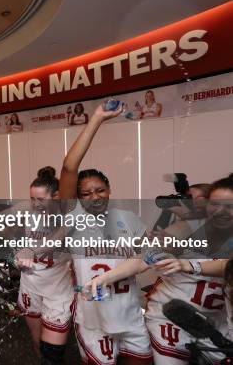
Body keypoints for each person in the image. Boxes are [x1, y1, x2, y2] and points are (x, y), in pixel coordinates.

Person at [90, 173, 233, 364]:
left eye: (229, 206)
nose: (220, 211)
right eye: (215, 204)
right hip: (170, 315)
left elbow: (227, 265)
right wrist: (104, 278)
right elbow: (143, 259)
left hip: (216, 322)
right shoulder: (187, 229)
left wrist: (190, 265)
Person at [59, 104, 153, 364]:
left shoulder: (129, 219)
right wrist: (98, 118)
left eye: (99, 190)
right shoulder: (73, 217)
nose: (94, 197)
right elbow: (69, 167)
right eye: (86, 193)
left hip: (130, 313)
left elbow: (147, 256)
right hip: (93, 319)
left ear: (109, 190)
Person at [14, 167, 73, 364]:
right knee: (37, 343)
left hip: (57, 288)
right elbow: (15, 246)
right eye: (32, 199)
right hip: (30, 284)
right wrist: (17, 256)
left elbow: (56, 240)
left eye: (40, 199)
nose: (35, 204)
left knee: (53, 352)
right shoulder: (26, 214)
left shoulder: (67, 217)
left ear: (55, 197)